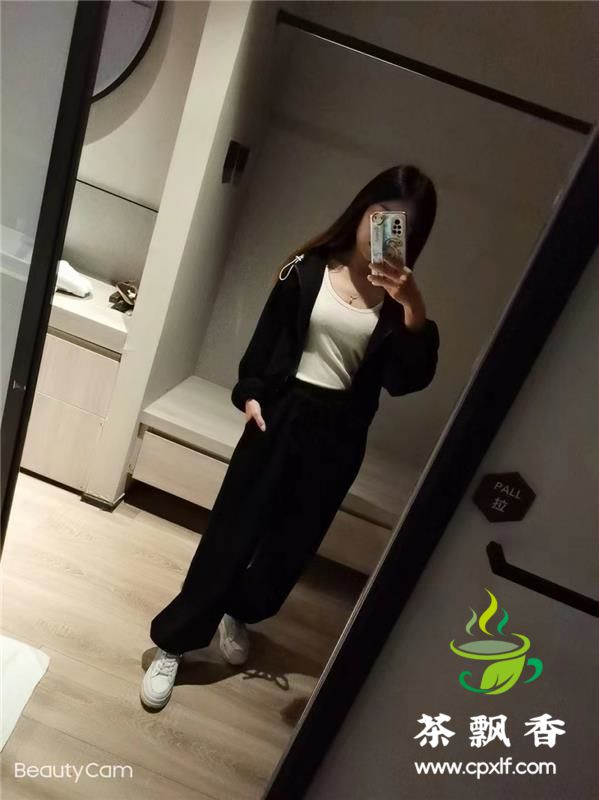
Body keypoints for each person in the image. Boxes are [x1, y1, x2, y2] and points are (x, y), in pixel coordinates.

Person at [140, 165, 440, 710]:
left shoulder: (399, 308)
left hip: (338, 435)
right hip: (279, 417)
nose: (385, 234)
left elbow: (405, 381)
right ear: (362, 210)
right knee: (231, 535)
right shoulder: (306, 271)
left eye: (402, 228)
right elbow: (264, 346)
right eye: (381, 217)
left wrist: (414, 308)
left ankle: (239, 611)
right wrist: (252, 395)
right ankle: (175, 643)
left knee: (289, 548)